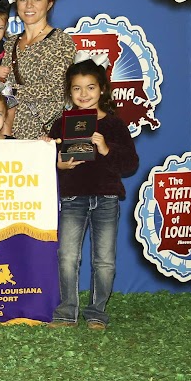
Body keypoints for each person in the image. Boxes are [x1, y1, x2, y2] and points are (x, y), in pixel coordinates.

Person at [46, 56, 139, 330]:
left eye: (90, 87)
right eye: (76, 88)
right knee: (67, 256)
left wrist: (106, 148)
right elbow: (47, 160)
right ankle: (66, 313)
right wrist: (59, 164)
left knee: (104, 261)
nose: (83, 94)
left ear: (101, 90)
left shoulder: (114, 125)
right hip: (73, 198)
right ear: (69, 91)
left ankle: (97, 313)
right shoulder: (61, 123)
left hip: (106, 198)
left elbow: (131, 164)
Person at [1, 0, 76, 138]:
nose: (29, 5)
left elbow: (57, 89)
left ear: (49, 3)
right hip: (9, 137)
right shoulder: (9, 43)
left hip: (44, 137)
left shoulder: (60, 42)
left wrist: (13, 91)